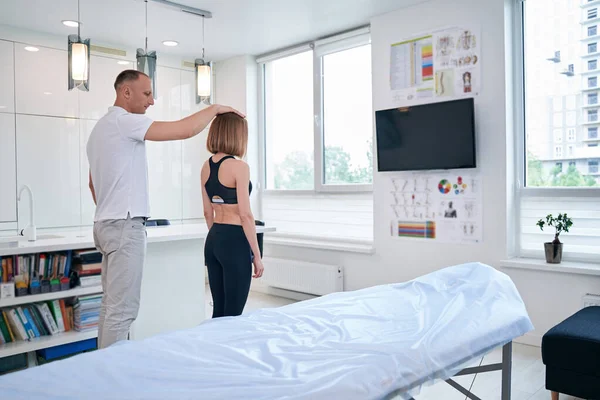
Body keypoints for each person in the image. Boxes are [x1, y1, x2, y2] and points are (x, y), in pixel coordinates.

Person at [87, 69, 243, 349]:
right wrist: (215, 108)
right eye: (147, 93)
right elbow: (183, 130)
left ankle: (101, 368)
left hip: (104, 224)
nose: (152, 101)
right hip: (124, 225)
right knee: (122, 313)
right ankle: (110, 380)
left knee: (110, 308)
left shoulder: (99, 129)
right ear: (126, 92)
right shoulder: (125, 122)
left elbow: (92, 184)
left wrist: (112, 208)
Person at [201, 112, 264, 318]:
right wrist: (256, 255)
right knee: (234, 315)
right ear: (237, 136)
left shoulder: (206, 166)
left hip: (214, 239)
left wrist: (218, 237)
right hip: (235, 241)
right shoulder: (239, 167)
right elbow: (245, 215)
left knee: (218, 311)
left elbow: (207, 212)